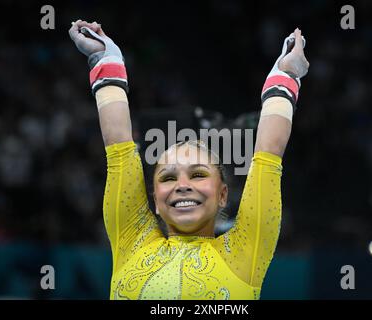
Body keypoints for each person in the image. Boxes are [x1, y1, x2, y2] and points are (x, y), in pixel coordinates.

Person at [68, 20, 309, 300]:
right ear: (155, 200)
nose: (182, 185)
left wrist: (288, 73)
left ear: (222, 195)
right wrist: (104, 57)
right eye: (168, 177)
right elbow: (118, 147)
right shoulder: (132, 241)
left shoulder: (245, 252)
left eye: (197, 175)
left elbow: (268, 155)